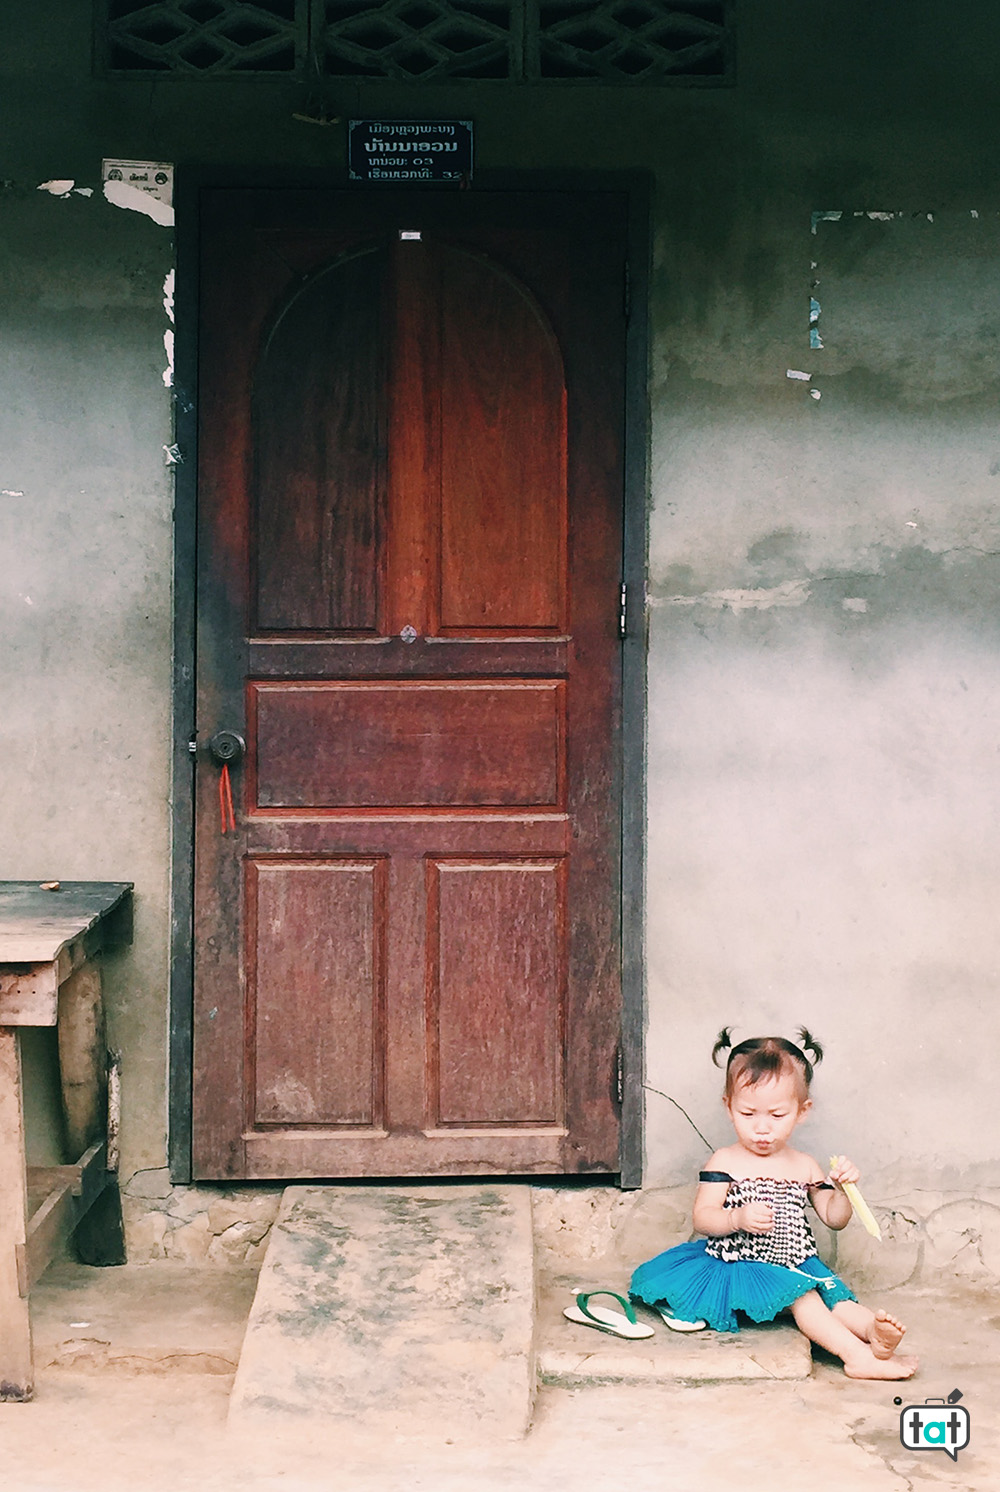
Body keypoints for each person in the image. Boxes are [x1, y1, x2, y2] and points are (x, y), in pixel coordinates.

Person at [630, 1028, 918, 1380]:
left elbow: (834, 1218)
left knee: (834, 1298)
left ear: (802, 1111)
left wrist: (844, 1192)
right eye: (748, 1114)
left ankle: (872, 1331)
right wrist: (736, 1217)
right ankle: (855, 1355)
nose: (762, 1128)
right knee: (805, 1300)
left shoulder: (805, 1165)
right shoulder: (725, 1161)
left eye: (777, 1115)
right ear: (728, 1106)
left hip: (796, 1262)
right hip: (743, 1266)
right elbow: (703, 1218)